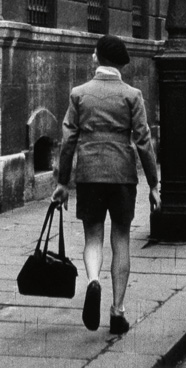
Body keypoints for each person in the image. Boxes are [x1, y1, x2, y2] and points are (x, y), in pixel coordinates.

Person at [52, 35, 160, 336]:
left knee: (93, 237)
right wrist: (153, 184)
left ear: (99, 57)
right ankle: (118, 311)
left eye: (94, 52)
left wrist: (63, 182)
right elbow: (143, 142)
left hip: (89, 174)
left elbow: (68, 139)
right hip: (122, 175)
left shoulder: (79, 94)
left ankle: (93, 281)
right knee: (121, 238)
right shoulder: (132, 95)